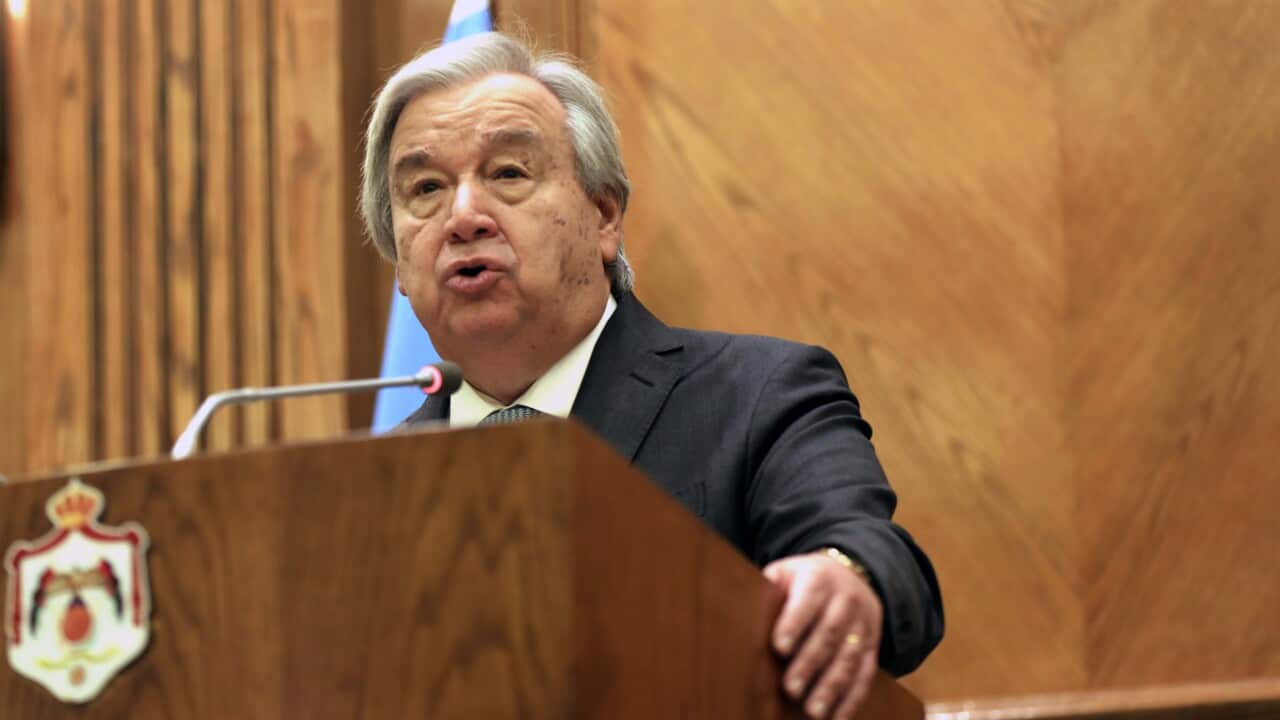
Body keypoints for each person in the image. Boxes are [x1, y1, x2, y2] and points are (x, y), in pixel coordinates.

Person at [360, 31, 943, 720]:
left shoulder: (758, 396)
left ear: (604, 216)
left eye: (509, 174)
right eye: (425, 188)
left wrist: (849, 578)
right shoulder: (367, 490)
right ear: (399, 260)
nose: (462, 217)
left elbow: (880, 556)